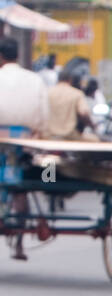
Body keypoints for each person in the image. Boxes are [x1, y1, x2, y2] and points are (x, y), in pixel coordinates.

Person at [0, 36, 50, 260]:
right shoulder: (35, 79)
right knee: (21, 188)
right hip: (26, 141)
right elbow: (44, 116)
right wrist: (39, 134)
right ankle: (19, 243)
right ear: (18, 57)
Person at [46, 67, 95, 140]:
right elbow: (84, 113)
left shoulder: (47, 92)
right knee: (95, 140)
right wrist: (92, 126)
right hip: (69, 136)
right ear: (70, 80)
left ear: (58, 79)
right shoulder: (77, 94)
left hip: (48, 135)